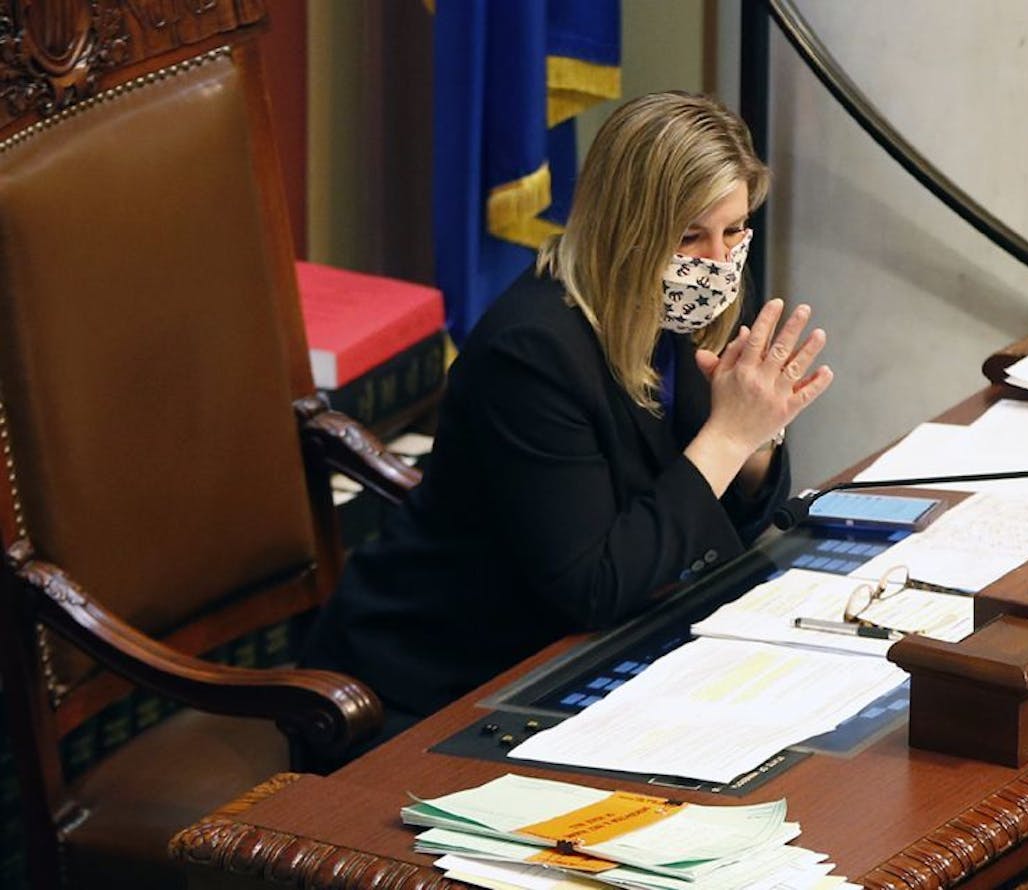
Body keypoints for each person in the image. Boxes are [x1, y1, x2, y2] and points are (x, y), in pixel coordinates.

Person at [302, 91, 834, 744]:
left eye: (734, 231)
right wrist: (727, 435)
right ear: (624, 228)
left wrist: (754, 443)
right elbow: (593, 584)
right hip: (435, 687)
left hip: (588, 656)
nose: (719, 264)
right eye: (691, 234)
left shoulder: (679, 306)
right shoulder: (532, 352)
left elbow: (716, 527)